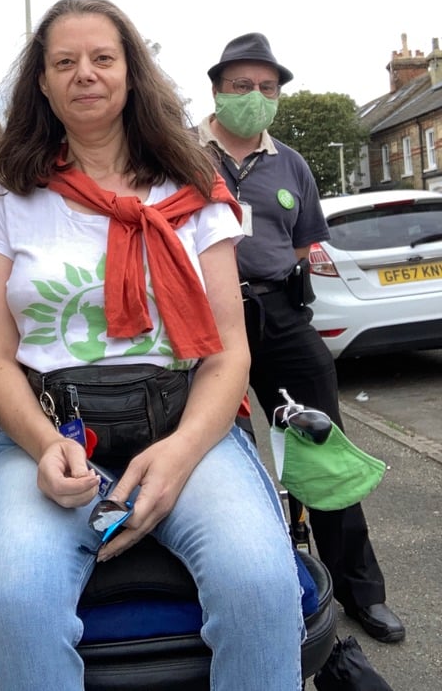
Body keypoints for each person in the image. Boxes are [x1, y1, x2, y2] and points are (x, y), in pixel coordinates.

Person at [0, 0, 305, 691]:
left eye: (102, 58)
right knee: (15, 604)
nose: (84, 73)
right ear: (42, 81)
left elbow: (227, 354)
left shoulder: (194, 186)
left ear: (131, 72)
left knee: (262, 587)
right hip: (51, 427)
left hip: (183, 422)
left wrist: (181, 455)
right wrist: (40, 444)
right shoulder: (11, 191)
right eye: (64, 61)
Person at [196, 31, 405, 644]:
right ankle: (229, 596)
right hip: (204, 323)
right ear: (216, 90)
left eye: (266, 88)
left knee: (322, 449)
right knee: (216, 461)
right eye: (241, 86)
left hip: (278, 315)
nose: (254, 97)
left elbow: (299, 243)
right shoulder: (178, 153)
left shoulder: (291, 163)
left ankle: (360, 592)